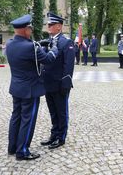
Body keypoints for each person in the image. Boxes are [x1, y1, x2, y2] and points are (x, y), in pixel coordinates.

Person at [6, 14, 59, 160]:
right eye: (30, 28)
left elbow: (28, 55)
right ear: (25, 29)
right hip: (30, 89)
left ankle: (12, 147)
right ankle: (22, 150)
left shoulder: (10, 43)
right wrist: (54, 48)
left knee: (16, 117)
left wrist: (39, 46)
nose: (31, 30)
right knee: (27, 119)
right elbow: (48, 59)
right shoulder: (32, 47)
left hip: (16, 87)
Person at [41, 12, 75, 149]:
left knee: (61, 112)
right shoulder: (48, 41)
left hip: (59, 84)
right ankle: (54, 134)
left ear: (59, 27)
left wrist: (66, 83)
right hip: (48, 83)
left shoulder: (66, 42)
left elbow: (69, 65)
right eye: (48, 24)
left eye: (51, 24)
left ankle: (61, 137)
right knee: (52, 111)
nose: (48, 26)